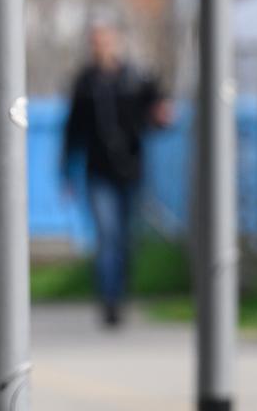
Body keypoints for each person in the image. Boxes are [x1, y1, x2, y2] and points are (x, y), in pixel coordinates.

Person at [61, 22, 171, 328]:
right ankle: (108, 299)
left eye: (106, 41)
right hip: (98, 173)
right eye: (96, 42)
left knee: (124, 239)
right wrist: (66, 171)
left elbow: (158, 112)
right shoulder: (85, 82)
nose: (101, 47)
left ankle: (120, 295)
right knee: (107, 236)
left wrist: (161, 115)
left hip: (131, 171)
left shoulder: (135, 78)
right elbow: (72, 130)